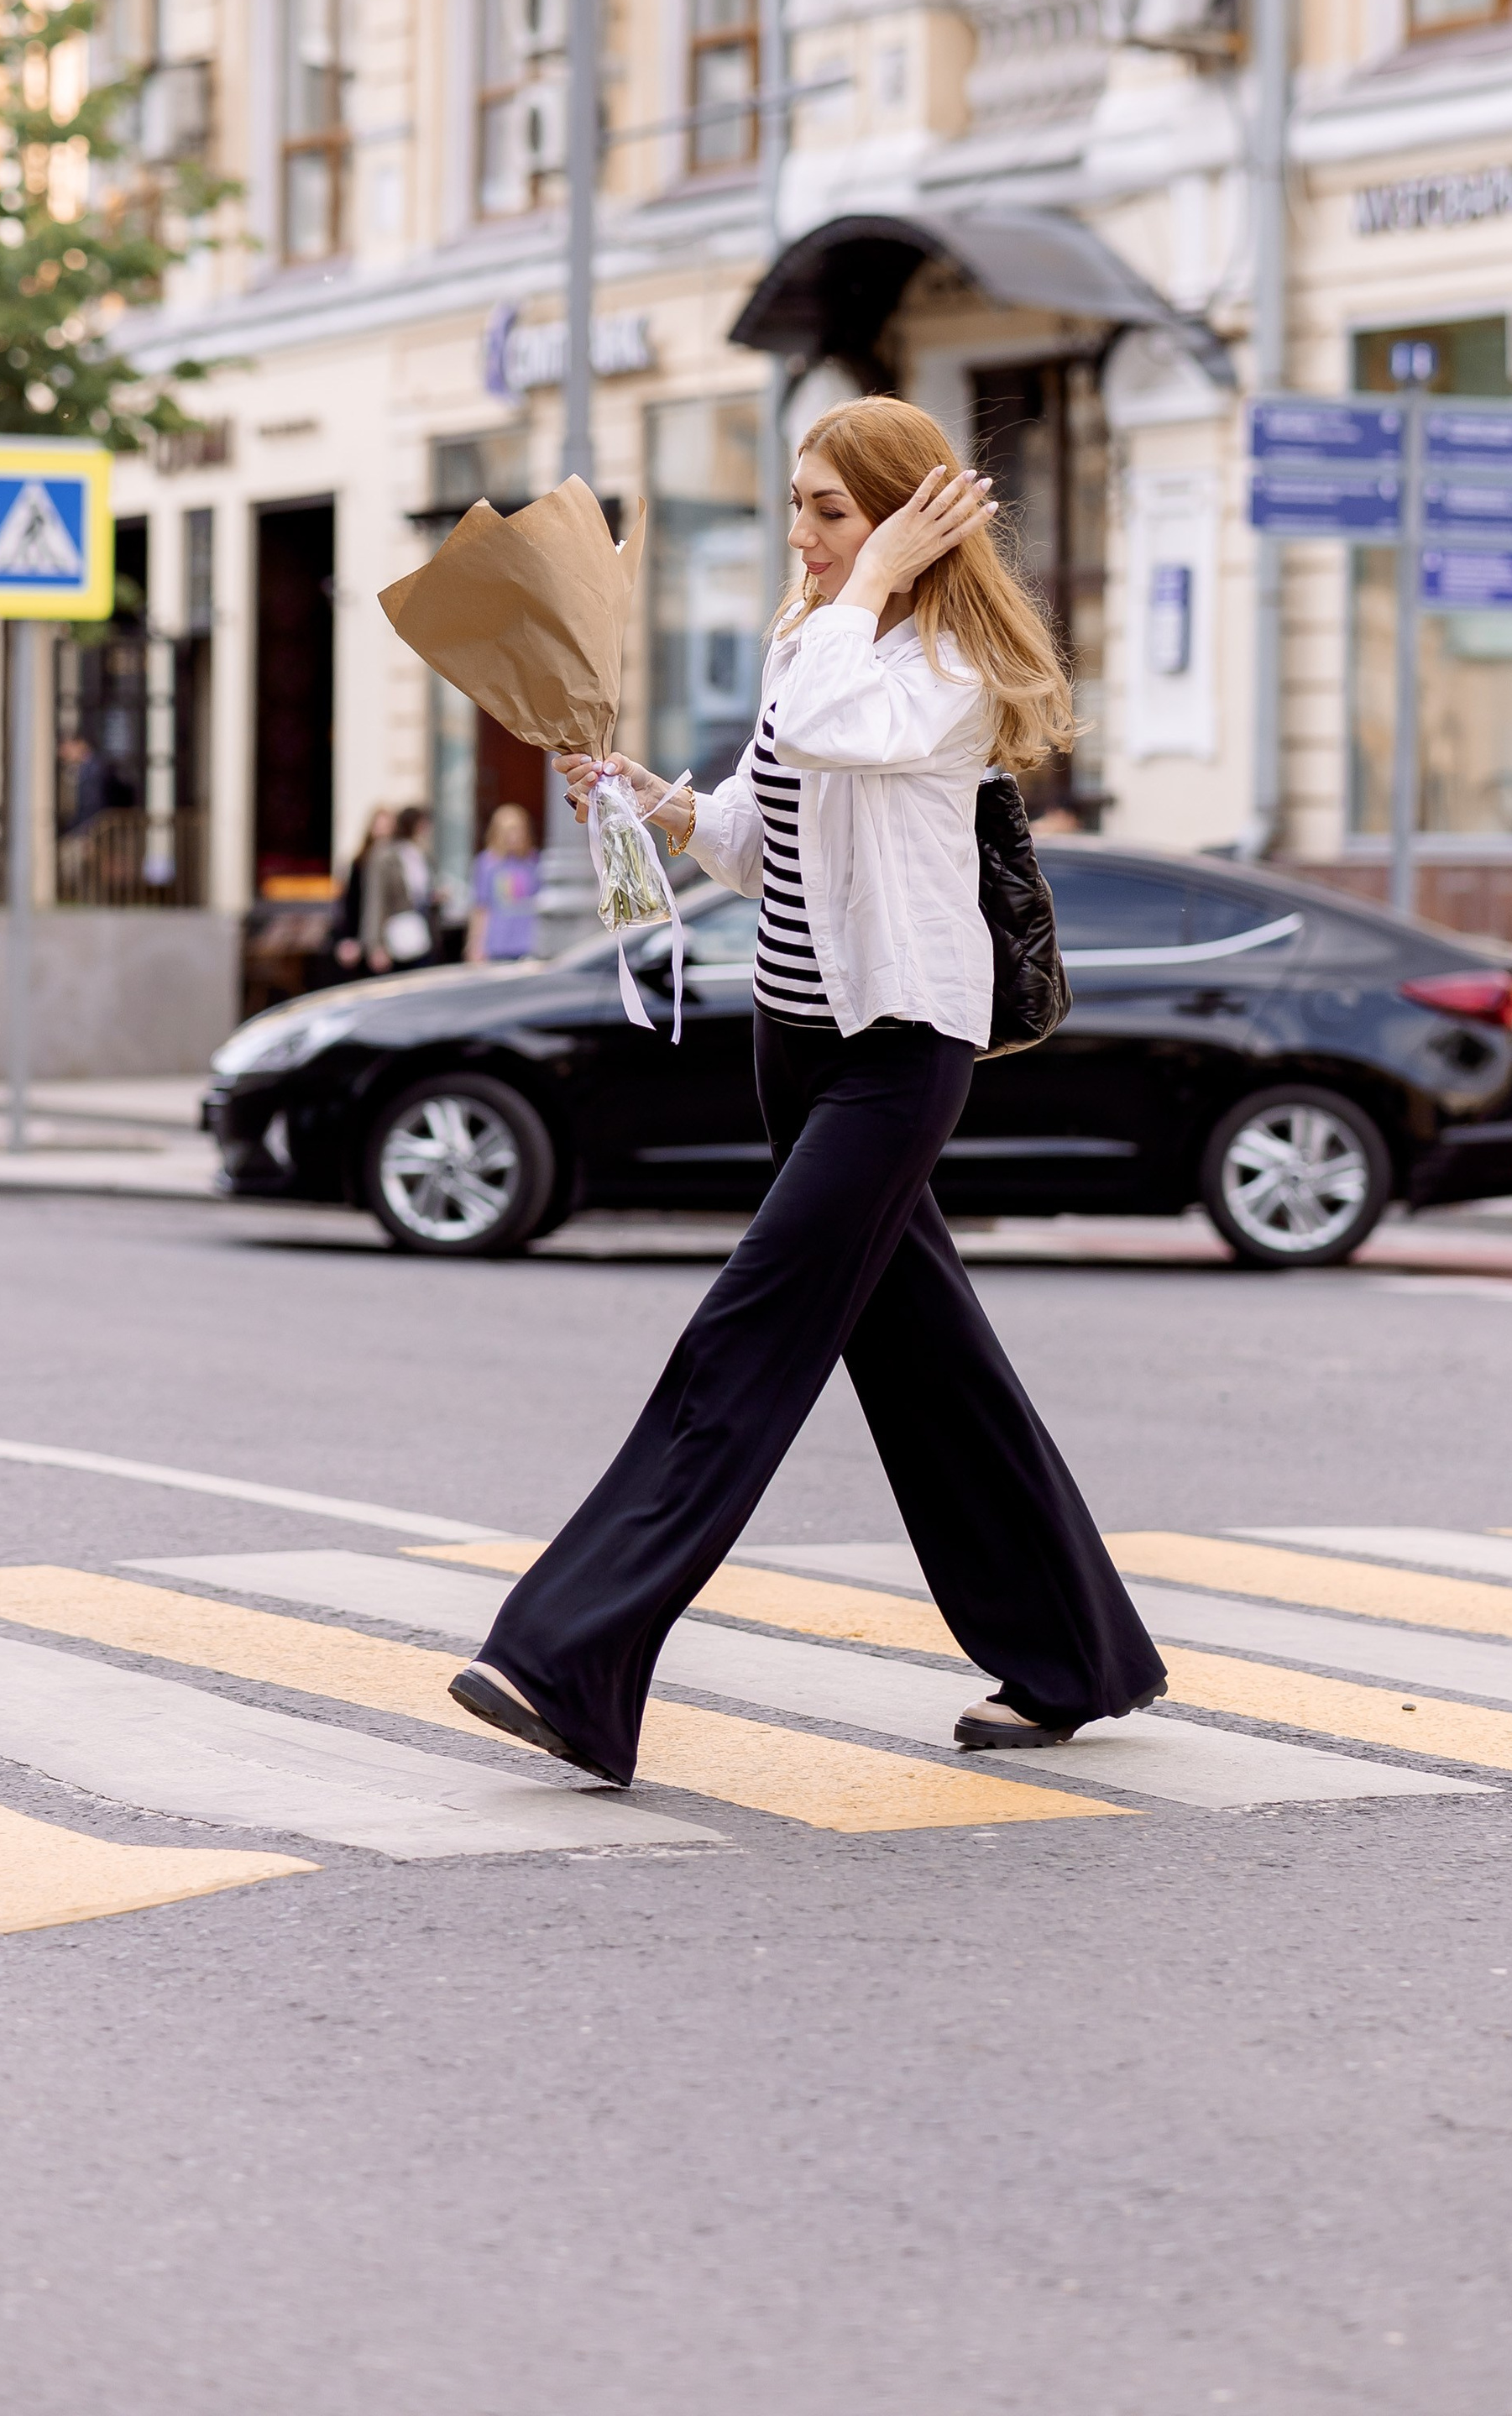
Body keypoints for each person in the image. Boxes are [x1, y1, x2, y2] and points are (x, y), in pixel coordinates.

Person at [449, 395, 1166, 1786]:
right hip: (801, 1041)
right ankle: (1077, 1656)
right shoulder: (815, 639)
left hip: (902, 1051)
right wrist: (657, 798)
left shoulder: (940, 661)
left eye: (831, 511)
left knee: (751, 1335)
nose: (805, 536)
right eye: (798, 506)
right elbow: (764, 845)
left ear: (901, 520)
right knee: (933, 1367)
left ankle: (568, 1658)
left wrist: (881, 578)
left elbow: (841, 731)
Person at [332, 805, 435, 977]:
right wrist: (372, 943)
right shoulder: (375, 859)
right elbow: (372, 902)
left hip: (399, 934)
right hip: (379, 935)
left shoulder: (404, 854)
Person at [464, 802, 540, 963]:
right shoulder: (487, 864)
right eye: (508, 830)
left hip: (528, 944)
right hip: (497, 945)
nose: (514, 836)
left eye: (518, 829)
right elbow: (481, 907)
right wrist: (476, 945)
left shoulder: (533, 861)